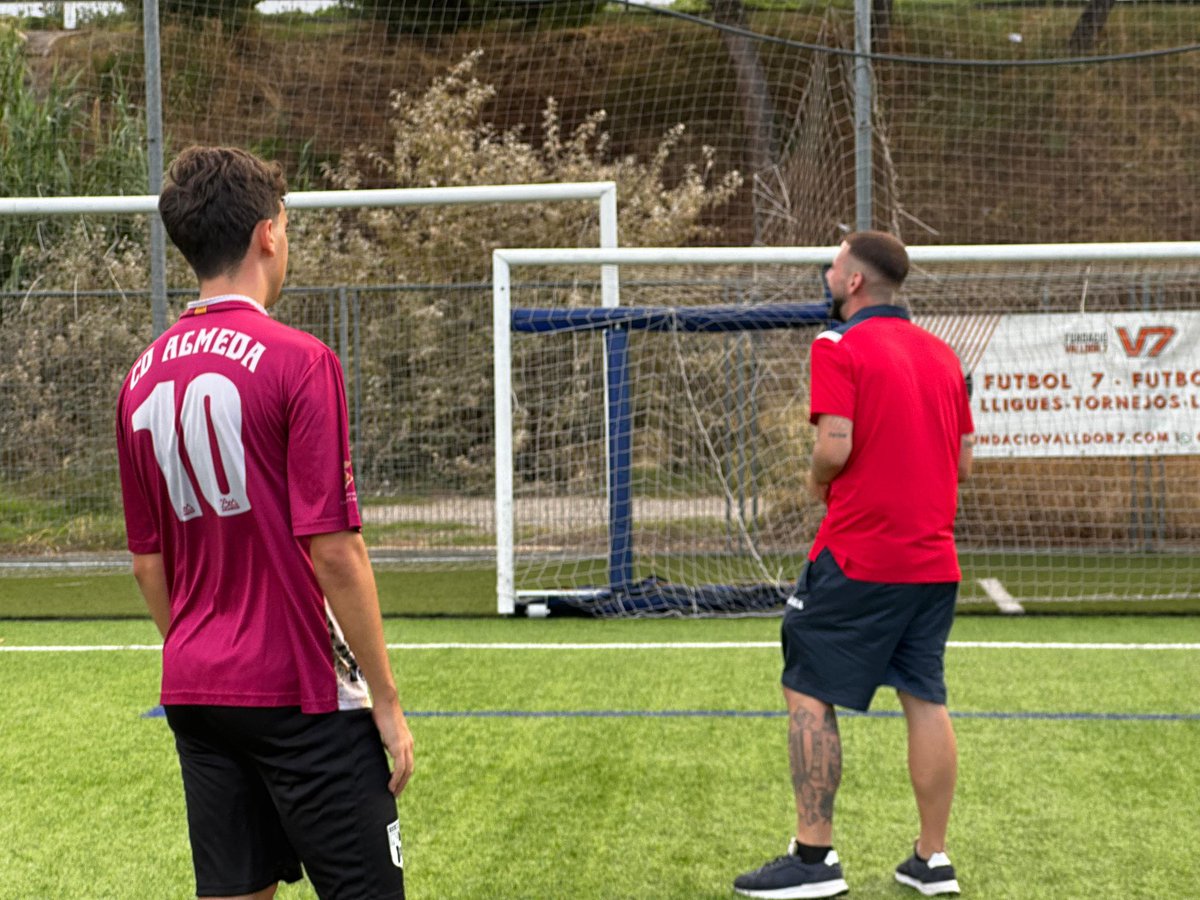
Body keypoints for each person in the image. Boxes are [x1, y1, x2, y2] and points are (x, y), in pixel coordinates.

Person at [116, 146, 414, 900]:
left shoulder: (141, 374)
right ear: (269, 235)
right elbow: (335, 550)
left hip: (195, 687)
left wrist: (202, 646)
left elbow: (149, 562)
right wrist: (385, 699)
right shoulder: (300, 360)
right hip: (300, 690)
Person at [733, 231, 974, 899]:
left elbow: (833, 446)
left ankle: (814, 860)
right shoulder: (944, 354)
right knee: (925, 696)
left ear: (856, 282)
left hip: (860, 555)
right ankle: (933, 858)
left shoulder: (836, 345)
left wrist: (816, 479)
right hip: (934, 561)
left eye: (835, 263)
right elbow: (962, 465)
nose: (828, 272)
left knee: (807, 683)